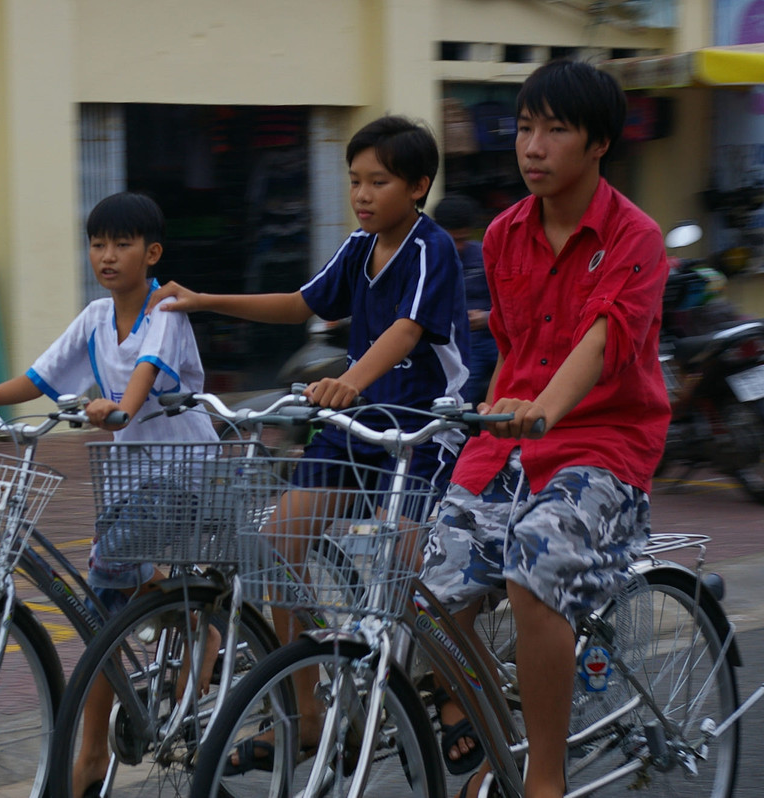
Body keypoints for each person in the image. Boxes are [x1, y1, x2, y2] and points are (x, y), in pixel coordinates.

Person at [151, 114, 471, 767]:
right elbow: (303, 304)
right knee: (274, 545)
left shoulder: (428, 248)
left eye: (377, 181)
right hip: (360, 426)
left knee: (409, 575)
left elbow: (406, 331)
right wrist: (205, 299)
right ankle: (305, 711)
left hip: (425, 429)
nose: (361, 193)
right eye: (354, 180)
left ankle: (452, 690)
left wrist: (348, 380)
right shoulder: (360, 245)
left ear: (418, 186)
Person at [419, 59, 670, 798]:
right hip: (512, 436)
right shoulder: (502, 235)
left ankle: (545, 780)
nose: (533, 147)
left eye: (555, 131)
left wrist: (546, 410)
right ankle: (503, 739)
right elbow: (514, 349)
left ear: (597, 144)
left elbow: (599, 340)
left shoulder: (636, 237)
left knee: (534, 566)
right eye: (526, 128)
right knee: (422, 585)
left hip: (603, 447)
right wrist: (487, 428)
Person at [0, 191, 219, 798]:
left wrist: (118, 410)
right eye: (97, 244)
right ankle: (178, 631)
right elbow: (37, 378)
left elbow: (142, 376)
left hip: (186, 473)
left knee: (106, 594)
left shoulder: (165, 310)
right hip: (129, 480)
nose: (107, 256)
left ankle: (94, 751)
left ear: (152, 252)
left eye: (122, 244)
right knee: (103, 614)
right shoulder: (92, 318)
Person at [434, 193, 496, 407]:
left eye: (463, 239)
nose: (459, 247)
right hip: (458, 345)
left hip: (491, 337)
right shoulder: (428, 264)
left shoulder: (483, 255)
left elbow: (508, 305)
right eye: (453, 240)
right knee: (464, 389)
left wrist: (486, 318)